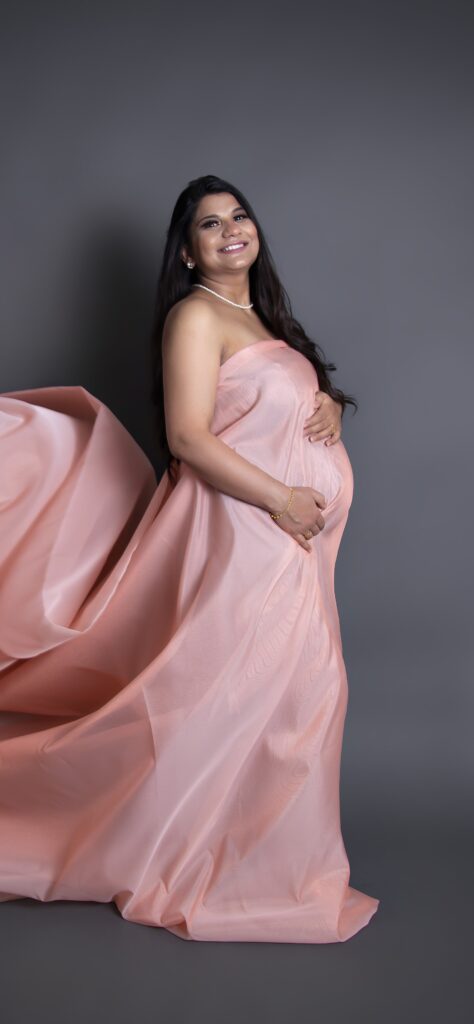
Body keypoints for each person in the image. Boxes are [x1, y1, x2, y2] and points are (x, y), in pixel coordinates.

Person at [0, 174, 380, 943]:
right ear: (187, 250)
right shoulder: (195, 316)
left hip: (293, 548)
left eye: (239, 215)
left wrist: (332, 402)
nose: (231, 229)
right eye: (210, 224)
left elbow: (272, 406)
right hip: (244, 539)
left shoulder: (264, 317)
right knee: (227, 706)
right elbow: (189, 438)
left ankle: (268, 865)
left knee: (296, 704)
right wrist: (279, 498)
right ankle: (208, 861)